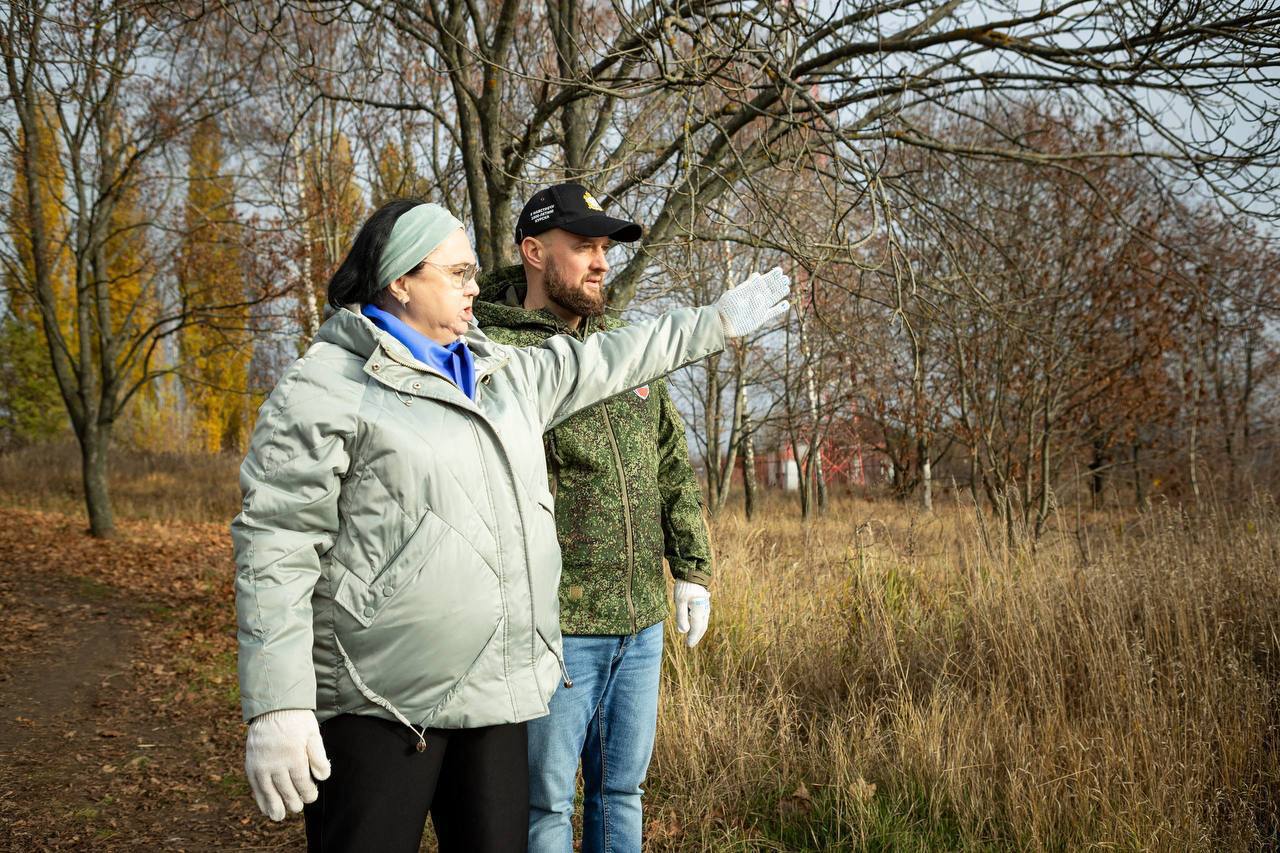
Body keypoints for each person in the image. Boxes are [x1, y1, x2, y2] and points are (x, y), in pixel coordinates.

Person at [231, 198, 789, 853]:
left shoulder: (503, 373)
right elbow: (275, 547)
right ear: (401, 280)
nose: (475, 284)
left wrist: (717, 321)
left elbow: (622, 355)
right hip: (380, 702)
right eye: (458, 272)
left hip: (496, 696)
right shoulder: (325, 387)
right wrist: (278, 702)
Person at [475, 182, 715, 853]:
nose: (601, 261)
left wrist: (691, 568)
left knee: (621, 793)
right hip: (556, 627)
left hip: (640, 621)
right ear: (533, 250)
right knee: (544, 803)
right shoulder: (494, 350)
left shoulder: (627, 343)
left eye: (604, 247)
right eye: (582, 245)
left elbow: (670, 458)